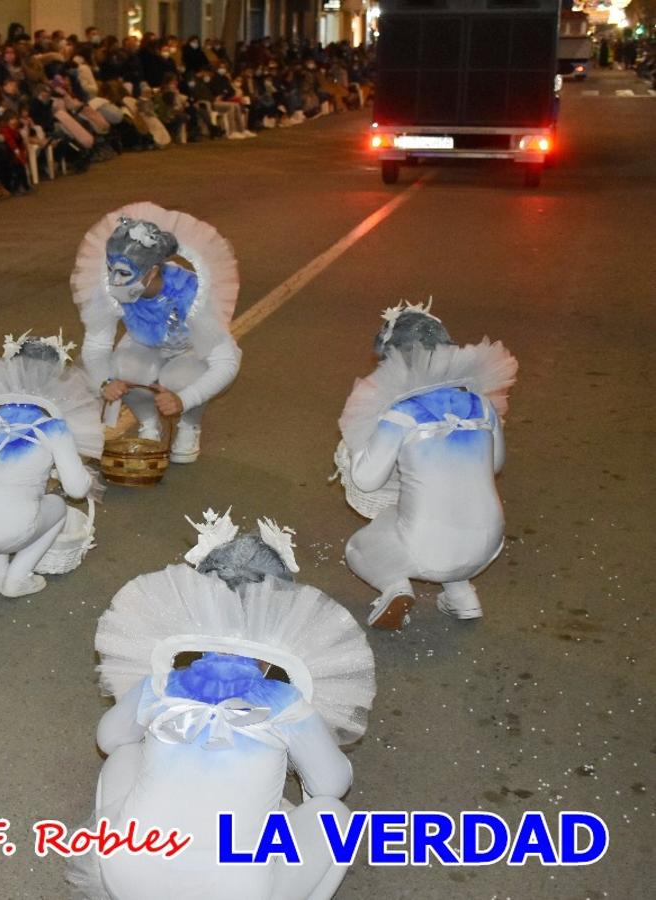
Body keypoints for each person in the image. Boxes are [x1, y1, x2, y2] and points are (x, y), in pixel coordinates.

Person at [70, 521, 375, 900]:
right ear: (280, 620)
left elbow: (109, 738)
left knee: (126, 750)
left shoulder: (163, 681)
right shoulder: (283, 699)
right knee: (335, 816)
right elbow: (330, 786)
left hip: (132, 881)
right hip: (237, 892)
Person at [340, 302, 517, 630]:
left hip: (429, 548)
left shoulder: (403, 414)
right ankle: (463, 596)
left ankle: (395, 587)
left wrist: (358, 447)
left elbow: (365, 480)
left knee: (360, 546)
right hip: (489, 541)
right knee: (446, 509)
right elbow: (494, 464)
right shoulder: (482, 404)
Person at [74, 204, 242, 466]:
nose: (115, 281)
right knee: (122, 368)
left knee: (180, 377)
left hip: (191, 349)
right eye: (111, 270)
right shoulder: (110, 288)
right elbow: (96, 346)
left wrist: (184, 400)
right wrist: (104, 382)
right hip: (145, 343)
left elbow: (225, 363)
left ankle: (189, 425)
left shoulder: (192, 294)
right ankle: (150, 424)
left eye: (125, 273)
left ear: (152, 271)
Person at [0, 332, 102, 598]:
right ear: (55, 377)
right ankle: (18, 577)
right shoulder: (51, 427)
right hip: (9, 527)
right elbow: (76, 490)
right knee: (58, 507)